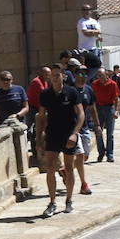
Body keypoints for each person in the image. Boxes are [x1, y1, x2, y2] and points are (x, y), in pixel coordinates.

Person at [36, 64, 83, 217]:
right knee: (50, 168)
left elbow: (81, 114)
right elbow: (41, 116)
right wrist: (38, 138)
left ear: (63, 75)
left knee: (69, 168)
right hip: (52, 134)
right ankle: (52, 202)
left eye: (58, 74)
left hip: (69, 134)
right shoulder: (45, 94)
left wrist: (75, 133)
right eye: (52, 75)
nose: (55, 78)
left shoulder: (72, 92)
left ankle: (69, 200)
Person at [70, 69, 96, 195]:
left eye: (85, 75)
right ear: (75, 75)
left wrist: (97, 125)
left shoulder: (89, 90)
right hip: (73, 128)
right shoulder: (69, 91)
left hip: (85, 127)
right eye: (80, 74)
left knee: (85, 155)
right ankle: (84, 184)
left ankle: (66, 169)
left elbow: (92, 108)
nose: (82, 77)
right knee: (80, 155)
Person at [90, 67, 120, 161]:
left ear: (106, 75)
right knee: (98, 131)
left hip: (109, 108)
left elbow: (117, 99)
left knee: (110, 133)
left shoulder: (112, 84)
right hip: (98, 108)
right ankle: (101, 152)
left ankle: (110, 154)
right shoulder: (94, 84)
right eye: (98, 76)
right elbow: (92, 99)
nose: (100, 77)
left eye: (102, 75)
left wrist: (116, 110)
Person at [76, 4, 102, 70]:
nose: (86, 11)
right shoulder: (81, 22)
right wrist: (94, 32)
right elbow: (86, 33)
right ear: (82, 11)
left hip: (94, 48)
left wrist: (91, 32)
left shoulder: (94, 21)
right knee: (88, 68)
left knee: (96, 66)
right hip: (84, 49)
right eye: (84, 10)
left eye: (88, 9)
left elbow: (99, 31)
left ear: (91, 11)